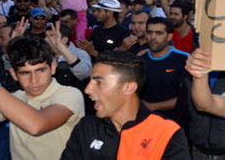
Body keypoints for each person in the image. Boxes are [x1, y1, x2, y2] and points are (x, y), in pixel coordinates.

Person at [0, 35, 85, 160]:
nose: (34, 80)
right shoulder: (14, 98)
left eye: (40, 70)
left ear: (53, 68)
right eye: (25, 73)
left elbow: (37, 125)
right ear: (14, 74)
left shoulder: (69, 94)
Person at [60, 50, 190, 159]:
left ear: (129, 88)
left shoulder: (167, 132)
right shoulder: (86, 126)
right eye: (90, 81)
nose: (88, 89)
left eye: (99, 82)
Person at [140, 17, 189, 117]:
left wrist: (153, 106)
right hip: (144, 119)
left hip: (175, 121)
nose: (153, 37)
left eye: (159, 33)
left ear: (169, 36)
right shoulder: (140, 60)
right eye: (149, 32)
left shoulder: (183, 59)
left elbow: (185, 98)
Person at [45, 22, 93, 114]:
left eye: (51, 36)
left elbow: (83, 73)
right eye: (46, 36)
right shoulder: (45, 55)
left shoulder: (79, 54)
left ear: (64, 40)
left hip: (76, 109)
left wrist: (60, 48)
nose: (46, 40)